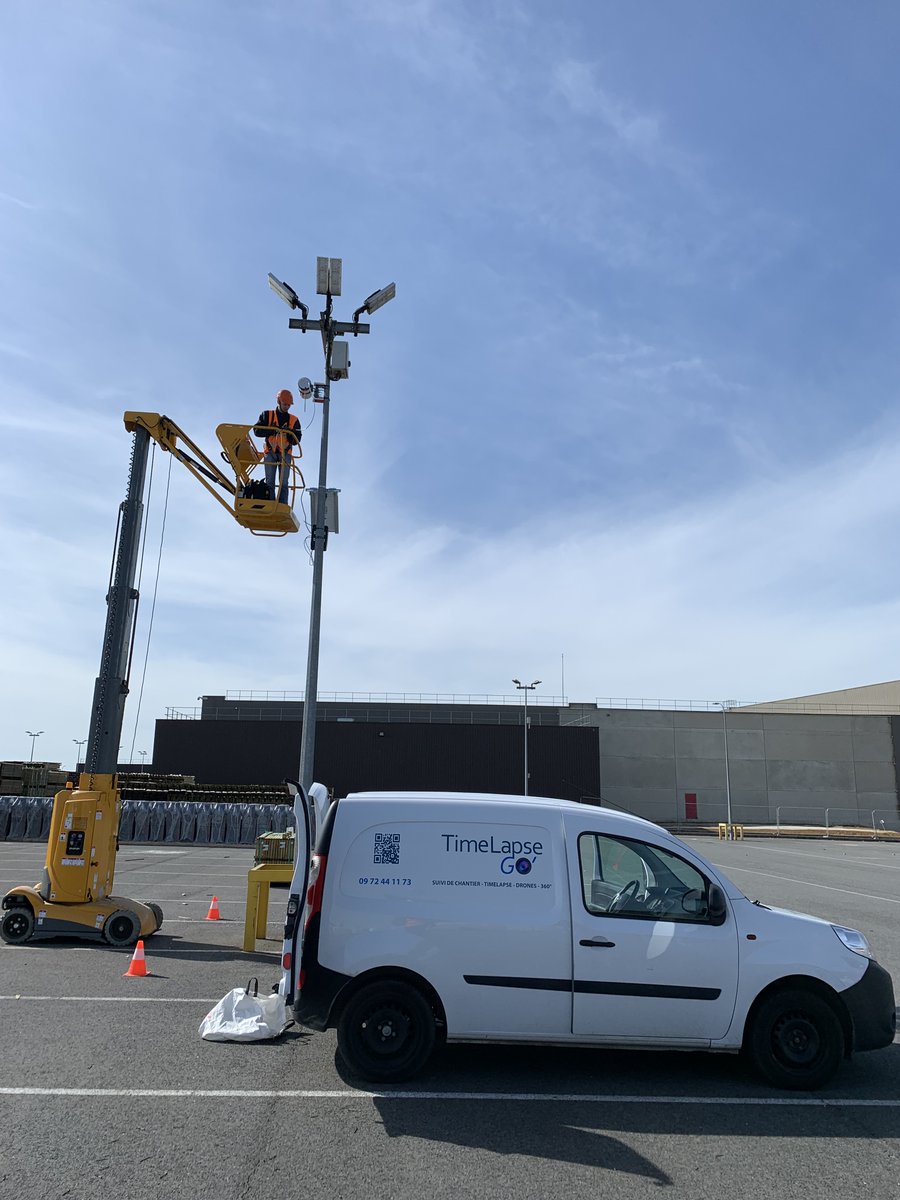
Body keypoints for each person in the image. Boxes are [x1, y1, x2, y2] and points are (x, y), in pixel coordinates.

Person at [254, 389, 302, 504]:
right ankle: (270, 504)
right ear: (278, 401)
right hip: (270, 452)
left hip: (285, 454)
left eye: (289, 405)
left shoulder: (294, 420)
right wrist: (272, 430)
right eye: (285, 404)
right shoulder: (267, 415)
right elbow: (256, 431)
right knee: (270, 481)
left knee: (284, 483)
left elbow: (297, 440)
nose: (287, 407)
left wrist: (289, 433)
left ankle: (282, 506)